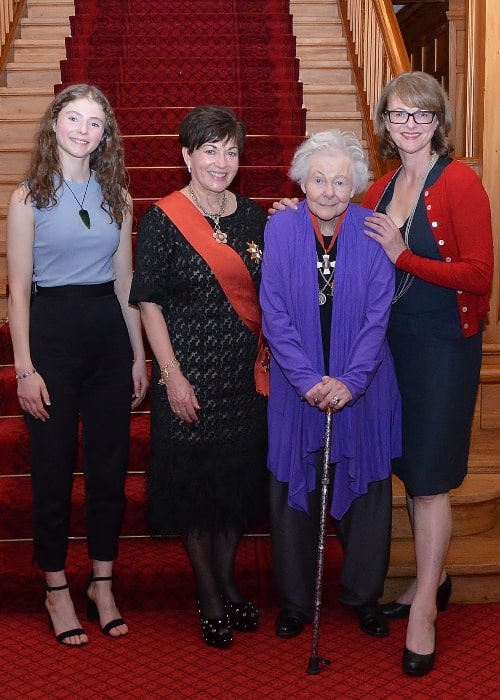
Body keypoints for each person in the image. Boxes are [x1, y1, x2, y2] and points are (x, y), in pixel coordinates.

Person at [6, 84, 148, 646]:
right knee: (52, 472)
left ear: (105, 133)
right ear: (55, 124)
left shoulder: (118, 193)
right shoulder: (27, 197)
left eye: (94, 122)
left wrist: (137, 354)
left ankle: (103, 584)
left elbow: (125, 282)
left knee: (110, 471)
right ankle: (57, 588)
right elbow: (17, 291)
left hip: (108, 336)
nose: (83, 130)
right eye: (73, 118)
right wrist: (24, 367)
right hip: (53, 334)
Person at [363, 71, 493, 676]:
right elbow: (350, 240)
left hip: (443, 346)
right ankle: (426, 583)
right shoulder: (384, 185)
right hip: (393, 348)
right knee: (412, 471)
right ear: (385, 124)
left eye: (419, 115)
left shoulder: (461, 180)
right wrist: (304, 212)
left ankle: (425, 615)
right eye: (397, 115)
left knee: (432, 478)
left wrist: (404, 256)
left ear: (438, 120)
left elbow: (478, 275)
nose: (408, 126)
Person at [129, 106, 268, 649]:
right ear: (186, 155)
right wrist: (171, 376)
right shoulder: (164, 219)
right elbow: (148, 302)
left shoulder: (254, 216)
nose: (221, 161)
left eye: (231, 150)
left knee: (233, 486)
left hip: (243, 378)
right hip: (185, 376)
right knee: (193, 490)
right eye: (209, 149)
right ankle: (209, 592)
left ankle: (229, 579)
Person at [259, 129, 401, 643]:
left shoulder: (372, 231)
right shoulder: (279, 229)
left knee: (367, 493)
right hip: (298, 390)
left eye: (341, 182)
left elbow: (377, 315)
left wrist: (350, 381)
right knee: (291, 490)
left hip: (361, 387)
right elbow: (273, 311)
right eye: (318, 179)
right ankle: (297, 602)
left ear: (356, 186)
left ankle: (364, 597)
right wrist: (305, 381)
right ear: (302, 180)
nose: (328, 191)